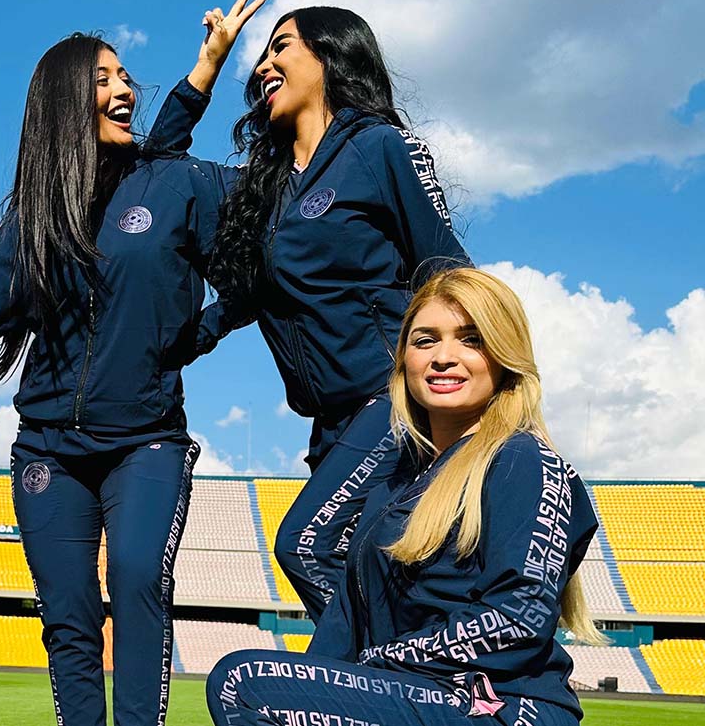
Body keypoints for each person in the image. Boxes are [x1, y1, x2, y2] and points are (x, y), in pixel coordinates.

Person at [0, 0, 265, 726]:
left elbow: (260, 262)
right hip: (49, 451)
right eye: (102, 79)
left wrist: (197, 332)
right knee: (68, 621)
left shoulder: (177, 182)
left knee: (137, 581)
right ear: (64, 104)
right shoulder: (33, 216)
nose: (124, 88)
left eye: (125, 76)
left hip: (146, 441)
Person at [206, 267, 604, 726]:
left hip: (507, 706)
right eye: (425, 340)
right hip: (422, 694)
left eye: (471, 340)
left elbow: (519, 615)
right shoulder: (395, 485)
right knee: (263, 683)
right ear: (403, 360)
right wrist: (330, 677)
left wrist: (383, 660)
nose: (444, 357)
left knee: (245, 683)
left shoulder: (522, 458)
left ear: (505, 357)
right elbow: (344, 618)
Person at [184, 6, 470, 620]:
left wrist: (477, 388)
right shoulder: (265, 187)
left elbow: (448, 269)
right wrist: (187, 338)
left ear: (331, 54)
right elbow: (250, 289)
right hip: (330, 423)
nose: (263, 64)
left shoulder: (379, 147)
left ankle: (372, 673)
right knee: (380, 571)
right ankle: (411, 671)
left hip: (393, 396)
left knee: (307, 546)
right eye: (262, 55)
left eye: (281, 46)